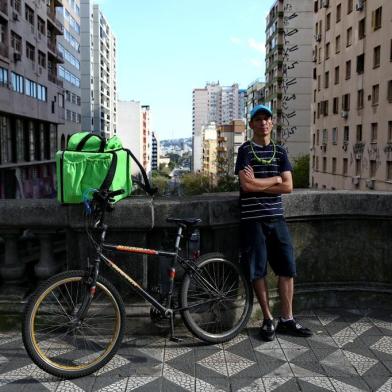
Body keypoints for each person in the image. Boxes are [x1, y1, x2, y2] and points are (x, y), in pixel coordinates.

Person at [235, 104, 312, 341]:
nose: (263, 123)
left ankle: (287, 319)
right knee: (258, 271)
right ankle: (268, 319)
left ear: (272, 123)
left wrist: (262, 182)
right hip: (253, 219)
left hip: (276, 217)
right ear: (251, 125)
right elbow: (245, 185)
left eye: (266, 118)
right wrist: (275, 178)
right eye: (257, 119)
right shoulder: (245, 150)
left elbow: (288, 186)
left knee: (287, 268)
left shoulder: (280, 151)